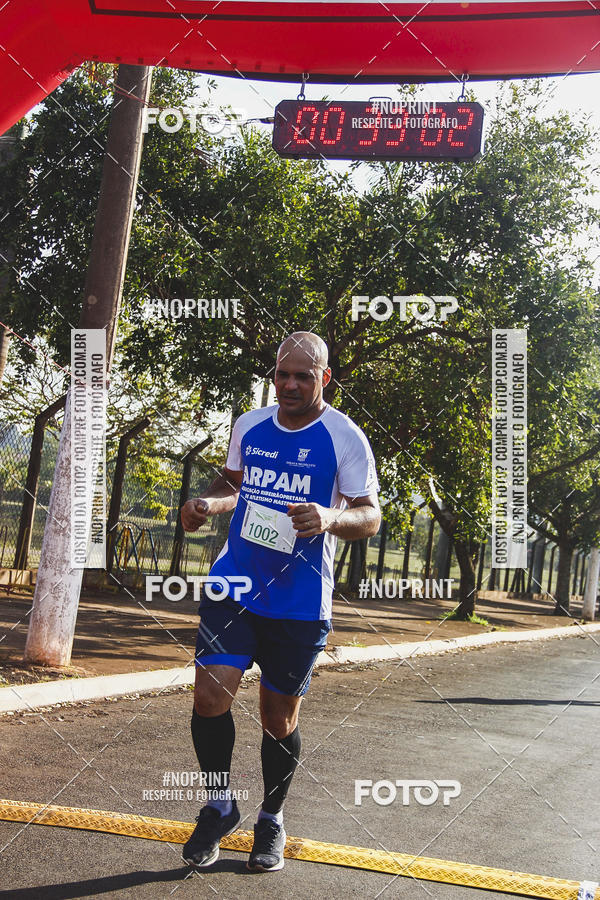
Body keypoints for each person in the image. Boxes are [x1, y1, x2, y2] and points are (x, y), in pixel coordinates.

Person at [180, 331, 380, 873]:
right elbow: (242, 490)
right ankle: (219, 807)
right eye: (282, 374)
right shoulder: (249, 425)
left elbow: (370, 515)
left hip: (298, 601)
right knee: (208, 697)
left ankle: (271, 817)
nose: (290, 384)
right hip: (236, 584)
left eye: (303, 376)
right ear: (274, 374)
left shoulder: (345, 438)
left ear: (325, 378)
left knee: (277, 718)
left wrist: (332, 517)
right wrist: (208, 505)